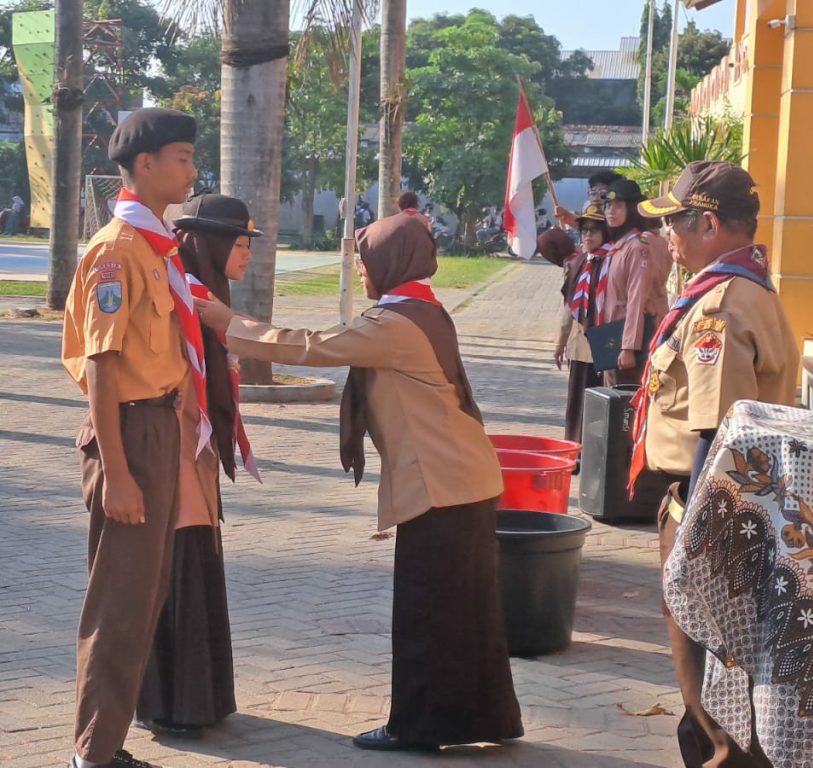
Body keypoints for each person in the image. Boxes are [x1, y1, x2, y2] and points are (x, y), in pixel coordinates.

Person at [195, 213, 523, 752]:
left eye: (364, 261)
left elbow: (314, 346)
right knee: (464, 612)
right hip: (463, 478)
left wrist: (230, 323)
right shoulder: (423, 307)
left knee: (426, 611)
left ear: (390, 263)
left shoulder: (395, 324)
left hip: (443, 486)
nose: (361, 271)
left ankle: (418, 728)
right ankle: (480, 718)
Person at [632, 161, 799, 767]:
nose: (667, 235)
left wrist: (695, 543)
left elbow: (717, 432)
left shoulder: (719, 308)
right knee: (722, 680)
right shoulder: (748, 287)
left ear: (708, 222)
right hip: (739, 506)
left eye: (674, 222)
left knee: (713, 693)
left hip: (713, 507)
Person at [60, 107, 198, 768]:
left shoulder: (154, 247)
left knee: (144, 593)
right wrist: (116, 471)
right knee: (119, 600)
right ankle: (92, 755)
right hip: (129, 433)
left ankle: (105, 745)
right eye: (180, 157)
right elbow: (102, 366)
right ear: (143, 165)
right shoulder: (118, 251)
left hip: (156, 427)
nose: (191, 171)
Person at [134, 193, 263, 736]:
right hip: (177, 451)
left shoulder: (206, 297)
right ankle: (176, 704)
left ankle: (197, 699)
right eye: (238, 244)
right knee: (182, 568)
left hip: (198, 456)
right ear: (208, 243)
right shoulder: (180, 294)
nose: (246, 256)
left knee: (196, 565)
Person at [550, 204, 611, 444]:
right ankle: (575, 449)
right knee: (577, 402)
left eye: (594, 230)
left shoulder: (612, 261)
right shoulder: (579, 263)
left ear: (605, 234)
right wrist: (560, 342)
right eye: (584, 230)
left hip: (604, 343)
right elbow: (569, 306)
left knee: (600, 404)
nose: (588, 235)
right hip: (579, 344)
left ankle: (595, 453)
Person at [600, 177, 667, 386]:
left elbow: (636, 299)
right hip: (613, 335)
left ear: (632, 209)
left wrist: (629, 347)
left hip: (629, 342)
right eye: (608, 205)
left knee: (625, 406)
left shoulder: (638, 248)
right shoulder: (620, 246)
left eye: (618, 206)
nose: (611, 211)